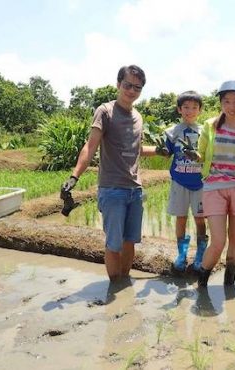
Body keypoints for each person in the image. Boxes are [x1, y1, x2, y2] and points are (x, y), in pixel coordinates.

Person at [61, 65, 160, 282]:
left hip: (135, 190)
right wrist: (74, 175)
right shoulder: (105, 111)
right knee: (114, 244)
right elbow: (91, 146)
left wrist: (163, 150)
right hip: (112, 189)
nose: (131, 91)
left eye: (137, 87)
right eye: (127, 85)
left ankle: (124, 286)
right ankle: (114, 287)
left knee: (130, 242)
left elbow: (137, 149)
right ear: (118, 84)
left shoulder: (138, 117)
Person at [187, 80, 235, 287]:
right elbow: (201, 155)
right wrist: (193, 155)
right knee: (219, 241)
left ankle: (229, 286)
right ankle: (202, 283)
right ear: (221, 103)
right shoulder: (210, 125)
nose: (232, 106)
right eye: (227, 101)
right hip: (214, 188)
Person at [162, 91, 208, 272]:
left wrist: (199, 157)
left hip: (200, 183)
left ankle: (201, 253)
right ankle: (181, 254)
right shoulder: (172, 132)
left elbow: (208, 157)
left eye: (194, 107)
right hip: (179, 181)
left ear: (200, 110)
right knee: (180, 218)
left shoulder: (205, 132)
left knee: (200, 219)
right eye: (186, 107)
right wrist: (163, 150)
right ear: (179, 110)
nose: (190, 111)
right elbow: (166, 152)